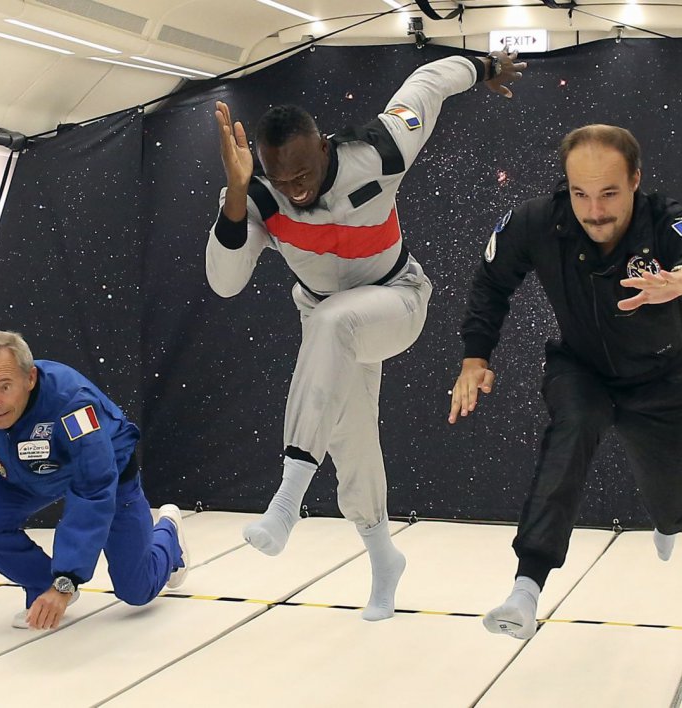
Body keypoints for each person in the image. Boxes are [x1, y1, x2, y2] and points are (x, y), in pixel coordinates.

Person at [209, 51, 525, 621]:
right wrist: (236, 191)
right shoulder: (256, 195)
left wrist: (482, 67)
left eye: (302, 174)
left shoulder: (379, 149)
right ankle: (384, 557)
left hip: (396, 301)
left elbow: (427, 83)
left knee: (333, 321)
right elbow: (225, 282)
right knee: (349, 435)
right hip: (327, 329)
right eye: (281, 178)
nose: (294, 189)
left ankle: (287, 499)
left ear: (323, 147)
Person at [448, 124, 682, 640]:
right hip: (582, 369)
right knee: (572, 428)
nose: (595, 211)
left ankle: (667, 523)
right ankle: (525, 590)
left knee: (669, 501)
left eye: (609, 194)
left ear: (636, 180)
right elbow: (491, 282)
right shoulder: (537, 222)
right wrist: (475, 356)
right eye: (581, 194)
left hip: (662, 381)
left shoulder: (666, 218)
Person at [0, 330, 190, 630]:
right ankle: (43, 588)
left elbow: (93, 489)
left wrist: (66, 580)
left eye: (5, 386)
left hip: (106, 472)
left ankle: (168, 534)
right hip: (27, 472)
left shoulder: (74, 408)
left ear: (30, 378)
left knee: (136, 589)